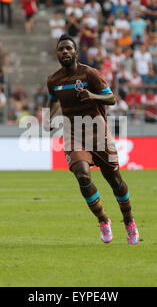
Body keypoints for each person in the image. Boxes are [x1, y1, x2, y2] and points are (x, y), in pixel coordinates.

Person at [46, 35, 139, 244]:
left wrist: (93, 96)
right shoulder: (53, 80)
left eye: (69, 48)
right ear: (57, 54)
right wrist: (48, 117)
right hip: (73, 133)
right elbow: (53, 100)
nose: (65, 52)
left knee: (115, 181)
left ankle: (129, 221)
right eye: (61, 49)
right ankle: (103, 219)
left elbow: (111, 98)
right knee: (82, 176)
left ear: (76, 52)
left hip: (98, 132)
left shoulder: (90, 74)